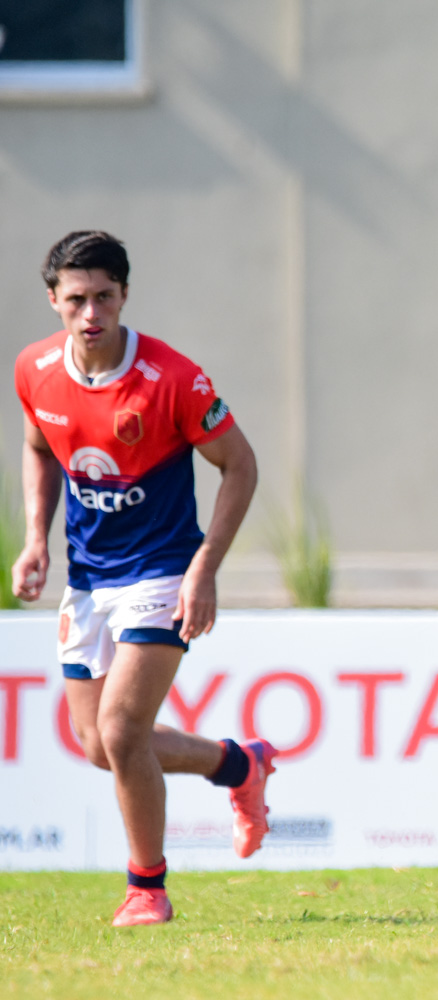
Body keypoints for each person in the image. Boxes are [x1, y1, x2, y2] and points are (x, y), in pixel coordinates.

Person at [10, 231, 272, 927]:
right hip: (89, 578)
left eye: (103, 297)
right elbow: (39, 447)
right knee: (99, 746)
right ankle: (237, 765)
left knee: (124, 731)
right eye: (76, 300)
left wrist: (204, 569)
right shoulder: (35, 369)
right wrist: (36, 539)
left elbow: (239, 466)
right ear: (53, 302)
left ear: (124, 296)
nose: (90, 312)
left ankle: (146, 888)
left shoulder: (174, 380)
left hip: (163, 569)